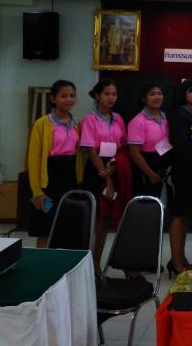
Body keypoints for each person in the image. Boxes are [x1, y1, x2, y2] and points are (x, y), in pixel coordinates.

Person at [80, 80, 132, 275]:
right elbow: (90, 150)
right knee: (93, 218)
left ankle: (97, 263)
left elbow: (123, 146)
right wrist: (106, 177)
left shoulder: (118, 118)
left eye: (114, 94)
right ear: (97, 96)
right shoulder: (89, 119)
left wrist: (114, 166)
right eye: (107, 94)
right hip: (97, 170)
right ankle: (86, 264)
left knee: (106, 218)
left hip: (114, 166)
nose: (111, 98)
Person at [27, 80, 84, 248]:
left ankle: (62, 261)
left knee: (67, 226)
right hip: (49, 181)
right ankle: (42, 262)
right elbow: (33, 160)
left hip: (70, 179)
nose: (69, 99)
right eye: (63, 96)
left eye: (72, 95)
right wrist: (37, 191)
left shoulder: (77, 124)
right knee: (45, 227)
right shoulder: (42, 124)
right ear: (53, 99)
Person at [167, 78, 192, 275]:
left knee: (185, 216)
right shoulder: (178, 115)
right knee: (179, 216)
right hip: (183, 171)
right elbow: (182, 146)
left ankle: (181, 256)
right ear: (184, 93)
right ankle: (175, 260)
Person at [127, 83, 172, 198]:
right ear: (144, 99)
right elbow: (134, 152)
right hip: (146, 169)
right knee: (147, 204)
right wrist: (151, 175)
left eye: (159, 94)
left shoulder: (165, 117)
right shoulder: (137, 121)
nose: (157, 97)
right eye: (152, 94)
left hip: (163, 167)